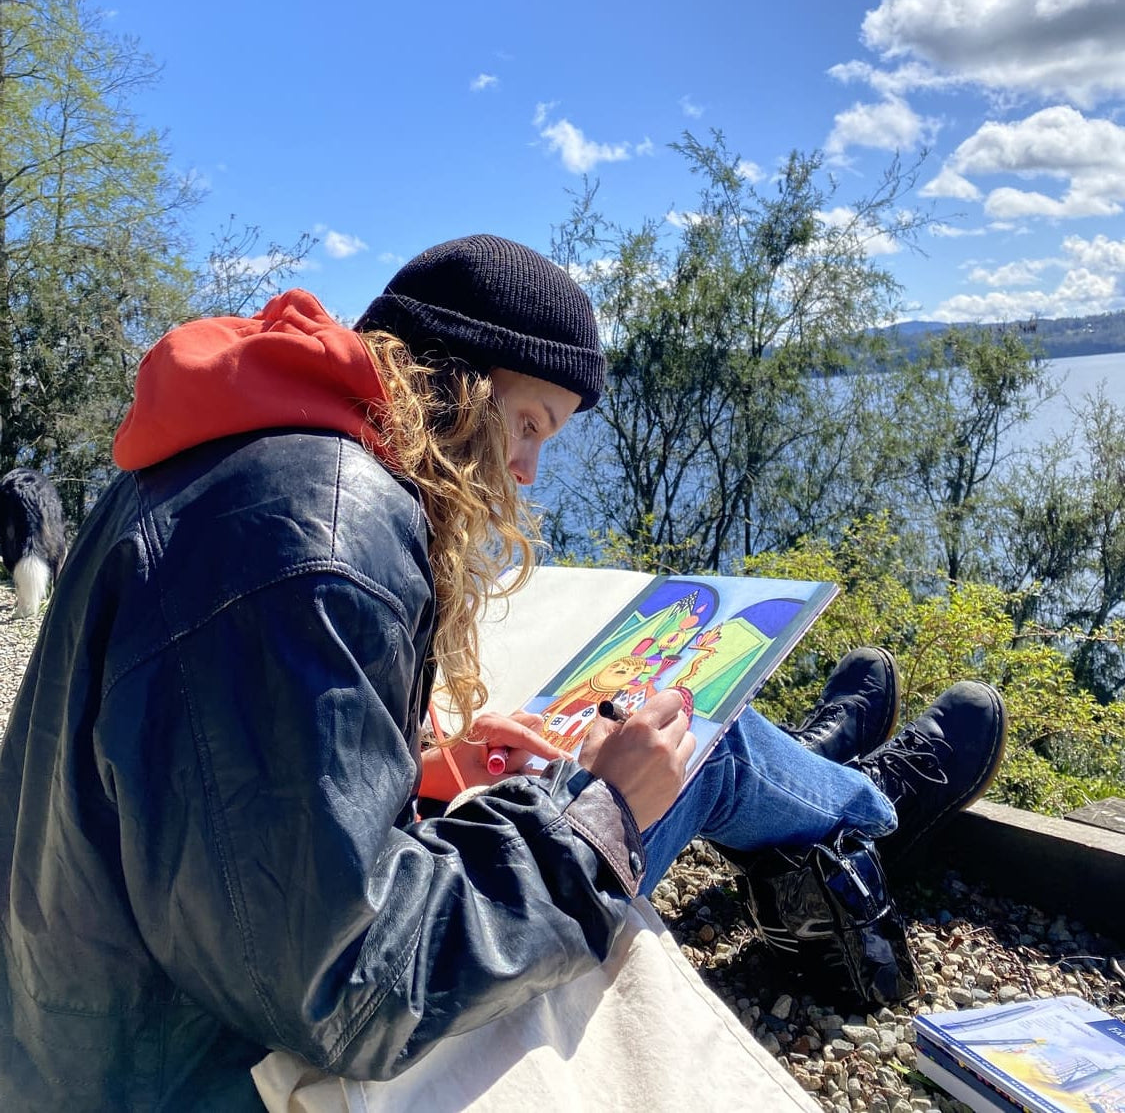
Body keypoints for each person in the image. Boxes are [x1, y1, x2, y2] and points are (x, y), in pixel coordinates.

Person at [0, 235, 1007, 1110]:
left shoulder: (243, 464)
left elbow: (216, 775)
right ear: (452, 386)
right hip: (213, 1078)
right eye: (529, 425)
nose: (526, 472)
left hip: (107, 1032)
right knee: (697, 738)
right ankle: (865, 805)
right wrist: (600, 809)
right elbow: (349, 990)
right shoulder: (325, 540)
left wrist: (424, 768)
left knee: (666, 736)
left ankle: (829, 791)